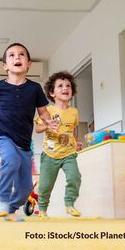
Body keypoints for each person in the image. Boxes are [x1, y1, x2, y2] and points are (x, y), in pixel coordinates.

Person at [0, 43, 58, 222]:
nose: (16, 58)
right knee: (11, 159)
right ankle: (3, 201)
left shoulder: (34, 88)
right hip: (2, 137)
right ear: (5, 66)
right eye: (11, 55)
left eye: (21, 55)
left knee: (26, 189)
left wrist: (47, 120)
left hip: (25, 144)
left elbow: (42, 111)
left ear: (29, 64)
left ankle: (9, 210)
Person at [35, 71, 83, 218]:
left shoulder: (74, 111)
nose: (65, 88)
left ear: (72, 91)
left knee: (75, 177)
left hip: (69, 153)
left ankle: (69, 204)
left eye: (68, 85)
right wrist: (47, 126)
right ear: (52, 92)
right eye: (60, 86)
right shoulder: (47, 110)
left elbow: (71, 130)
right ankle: (42, 210)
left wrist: (76, 142)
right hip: (50, 154)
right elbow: (37, 128)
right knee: (45, 185)